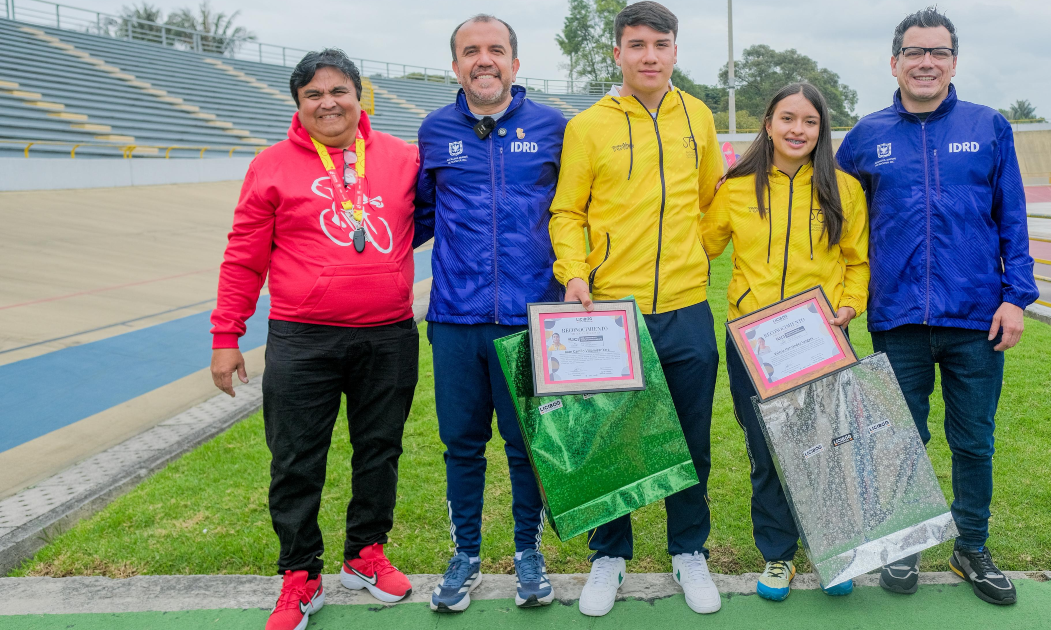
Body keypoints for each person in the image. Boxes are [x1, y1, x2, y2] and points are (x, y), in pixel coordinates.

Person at [209, 49, 420, 630]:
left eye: (338, 91)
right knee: (297, 460)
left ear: (359, 95)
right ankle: (300, 575)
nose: (328, 103)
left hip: (388, 334)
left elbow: (423, 222)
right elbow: (244, 257)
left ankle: (365, 554)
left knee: (380, 450)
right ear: (298, 104)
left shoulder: (404, 158)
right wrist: (227, 334)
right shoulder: (272, 165)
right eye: (313, 95)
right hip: (303, 338)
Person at [835, 7, 1038, 607]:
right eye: (916, 53)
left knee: (974, 440)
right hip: (897, 319)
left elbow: (1013, 218)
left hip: (978, 318)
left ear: (954, 61)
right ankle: (904, 543)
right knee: (902, 439)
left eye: (939, 53)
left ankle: (971, 545)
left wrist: (1016, 298)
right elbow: (837, 222)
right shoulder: (866, 136)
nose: (927, 63)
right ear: (894, 62)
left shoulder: (989, 126)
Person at [549, 1, 725, 617]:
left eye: (661, 43)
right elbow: (567, 211)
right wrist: (575, 273)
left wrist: (692, 259)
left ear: (675, 50)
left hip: (686, 307)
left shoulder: (697, 117)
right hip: (610, 312)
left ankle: (688, 550)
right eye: (637, 44)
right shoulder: (588, 125)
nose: (649, 55)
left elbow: (711, 204)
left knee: (689, 437)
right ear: (617, 53)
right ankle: (609, 556)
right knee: (611, 439)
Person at [413, 14, 567, 613]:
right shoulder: (434, 131)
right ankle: (467, 554)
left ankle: (528, 550)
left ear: (515, 63)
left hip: (531, 319)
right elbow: (419, 217)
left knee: (527, 443)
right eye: (471, 51)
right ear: (455, 66)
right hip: (455, 317)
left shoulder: (554, 128)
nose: (484, 60)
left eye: (495, 50)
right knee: (461, 444)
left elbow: (574, 212)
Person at [700, 82, 869, 602]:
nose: (798, 130)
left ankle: (835, 552)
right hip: (754, 342)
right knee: (768, 451)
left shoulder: (844, 189)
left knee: (829, 449)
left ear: (822, 129)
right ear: (768, 124)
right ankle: (778, 555)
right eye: (787, 119)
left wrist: (849, 304)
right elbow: (701, 245)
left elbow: (857, 261)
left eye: (810, 121)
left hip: (821, 339)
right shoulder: (735, 187)